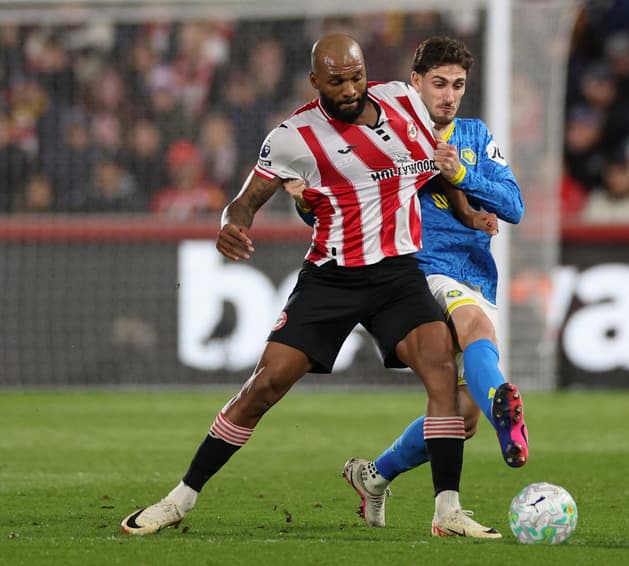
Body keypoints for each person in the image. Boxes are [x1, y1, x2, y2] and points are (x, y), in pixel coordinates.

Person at [120, 33, 500, 540]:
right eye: (337, 81)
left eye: (356, 77)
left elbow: (436, 167)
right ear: (315, 81)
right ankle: (179, 499)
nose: (349, 89)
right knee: (264, 386)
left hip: (397, 275)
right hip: (332, 279)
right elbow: (244, 201)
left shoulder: (404, 101)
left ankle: (447, 512)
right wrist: (231, 225)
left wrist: (468, 213)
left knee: (442, 373)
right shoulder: (293, 137)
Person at [335, 36, 527, 531]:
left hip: (476, 272)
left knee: (462, 419)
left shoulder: (476, 135)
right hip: (422, 269)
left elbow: (514, 206)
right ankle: (504, 406)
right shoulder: (388, 136)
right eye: (439, 84)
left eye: (458, 85)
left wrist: (463, 173)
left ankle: (374, 476)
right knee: (475, 326)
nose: (449, 95)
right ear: (415, 82)